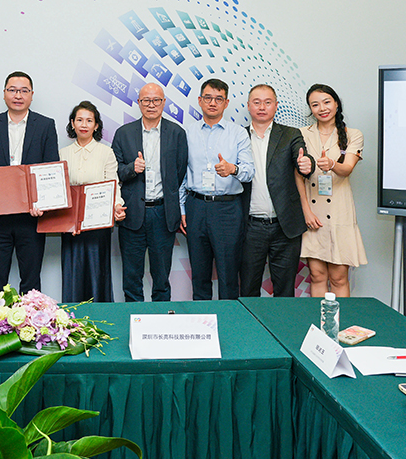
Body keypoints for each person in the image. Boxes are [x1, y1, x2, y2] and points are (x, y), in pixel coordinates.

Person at [0, 71, 59, 294]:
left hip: (31, 217)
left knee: (31, 281)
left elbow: (50, 169)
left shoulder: (45, 125)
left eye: (24, 91)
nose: (18, 95)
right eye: (12, 90)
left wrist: (43, 202)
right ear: (4, 93)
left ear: (32, 95)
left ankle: (30, 318)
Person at [112, 82, 187, 302]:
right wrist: (131, 168)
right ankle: (134, 318)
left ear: (164, 102)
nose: (151, 105)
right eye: (146, 100)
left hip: (163, 213)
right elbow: (114, 171)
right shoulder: (124, 133)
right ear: (139, 103)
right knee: (131, 278)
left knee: (161, 278)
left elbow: (180, 172)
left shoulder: (177, 133)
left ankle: (160, 318)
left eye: (156, 100)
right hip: (133, 213)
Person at [180, 78, 254, 300]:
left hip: (227, 209)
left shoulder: (238, 133)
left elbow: (249, 172)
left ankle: (228, 319)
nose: (213, 103)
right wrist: (182, 209)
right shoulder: (187, 133)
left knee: (228, 274)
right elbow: (182, 174)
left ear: (226, 103)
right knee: (199, 274)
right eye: (208, 98)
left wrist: (232, 169)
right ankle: (201, 319)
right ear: (200, 101)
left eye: (219, 99)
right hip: (196, 206)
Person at [239, 85, 314, 298]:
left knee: (285, 291)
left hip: (284, 227)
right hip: (250, 227)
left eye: (268, 102)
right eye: (257, 102)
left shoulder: (291, 134)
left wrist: (307, 164)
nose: (262, 107)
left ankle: (283, 322)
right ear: (248, 106)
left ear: (276, 105)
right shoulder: (238, 136)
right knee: (248, 288)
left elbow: (302, 157)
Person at [299, 83, 368, 298]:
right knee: (317, 275)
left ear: (336, 103)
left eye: (326, 102)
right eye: (315, 104)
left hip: (340, 212)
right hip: (313, 213)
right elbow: (297, 176)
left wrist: (332, 164)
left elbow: (346, 170)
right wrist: (306, 212)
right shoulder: (301, 134)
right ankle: (319, 318)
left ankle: (340, 319)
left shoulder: (352, 134)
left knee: (338, 278)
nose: (322, 108)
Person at [59, 101, 126, 303]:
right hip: (71, 224)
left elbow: (113, 183)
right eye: (79, 120)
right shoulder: (62, 153)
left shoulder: (106, 152)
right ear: (72, 123)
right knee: (73, 273)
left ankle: (100, 316)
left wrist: (117, 206)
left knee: (98, 273)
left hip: (98, 222)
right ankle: (73, 317)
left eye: (89, 120)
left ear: (96, 126)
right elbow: (59, 190)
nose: (84, 125)